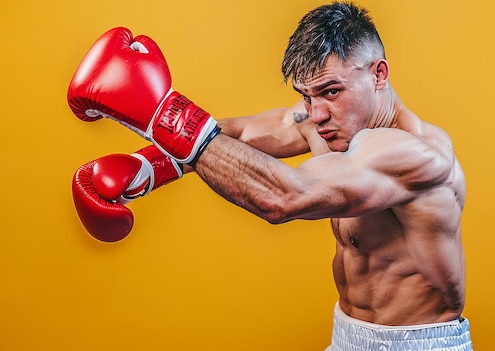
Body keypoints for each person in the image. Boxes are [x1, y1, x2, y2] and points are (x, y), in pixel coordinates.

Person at [68, 2, 473, 350]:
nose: (315, 115)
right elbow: (240, 134)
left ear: (378, 74)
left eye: (331, 92)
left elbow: (284, 197)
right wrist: (151, 166)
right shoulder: (325, 120)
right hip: (347, 330)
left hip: (418, 342)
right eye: (306, 96)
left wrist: (164, 115)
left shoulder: (415, 154)